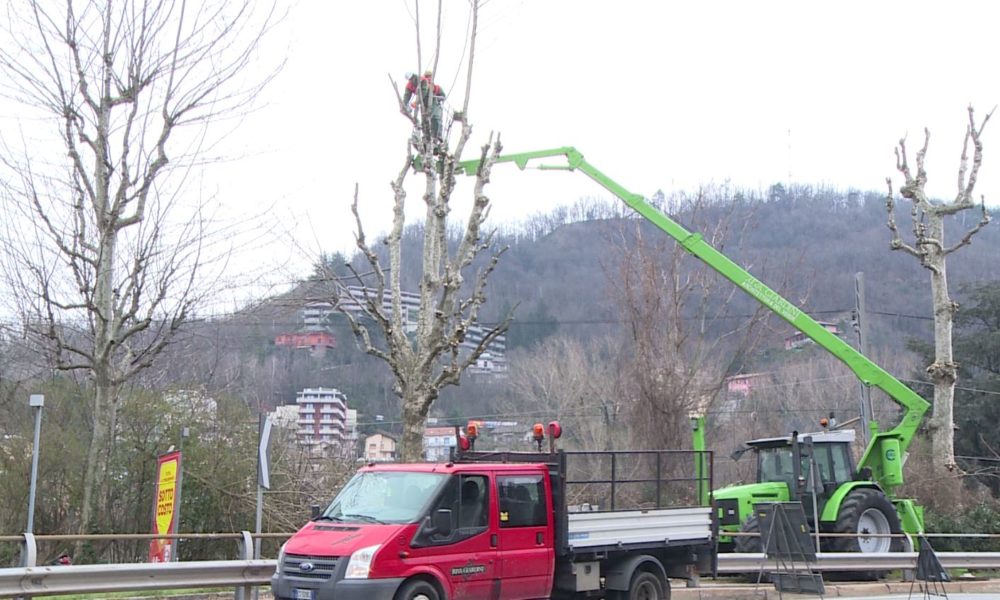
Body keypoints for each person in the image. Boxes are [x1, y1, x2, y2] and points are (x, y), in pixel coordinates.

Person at [403, 70, 446, 141]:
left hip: (434, 102)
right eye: (427, 77)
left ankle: (436, 137)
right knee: (425, 121)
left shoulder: (433, 86)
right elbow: (407, 95)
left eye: (430, 77)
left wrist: (416, 103)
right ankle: (426, 137)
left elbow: (424, 92)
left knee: (435, 119)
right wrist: (404, 105)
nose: (429, 79)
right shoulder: (412, 84)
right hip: (423, 105)